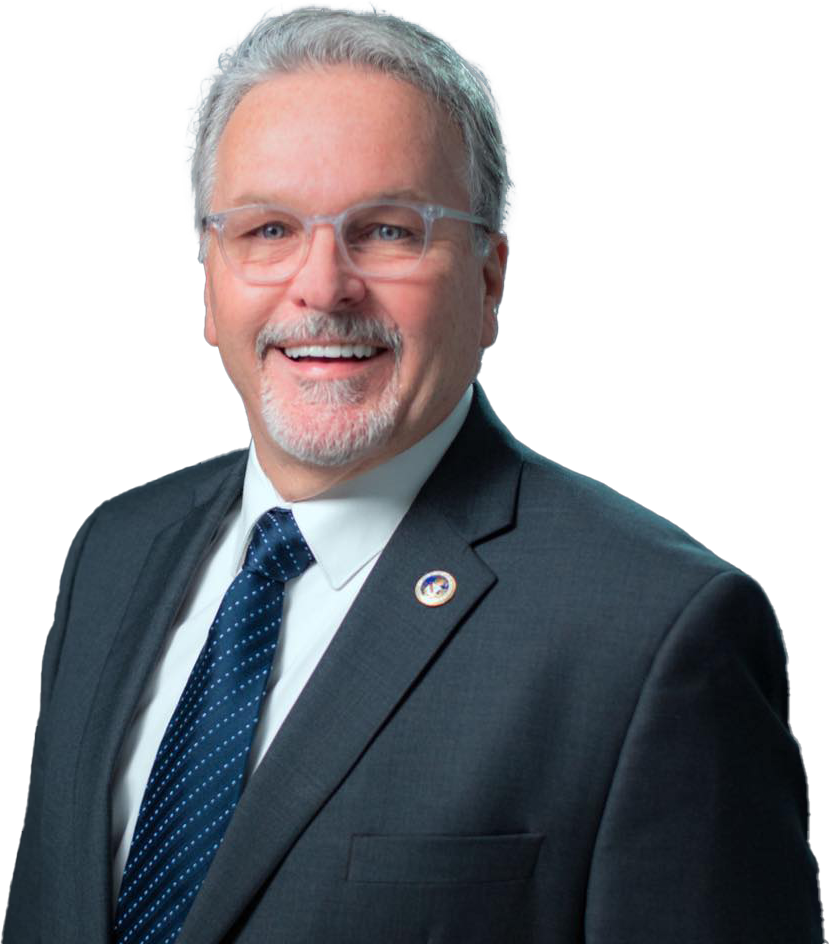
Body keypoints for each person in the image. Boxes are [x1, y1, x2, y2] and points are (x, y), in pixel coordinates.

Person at [3, 7, 821, 943]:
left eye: (388, 230)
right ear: (208, 283)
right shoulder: (113, 553)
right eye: (268, 229)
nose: (322, 286)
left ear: (488, 280)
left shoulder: (653, 635)